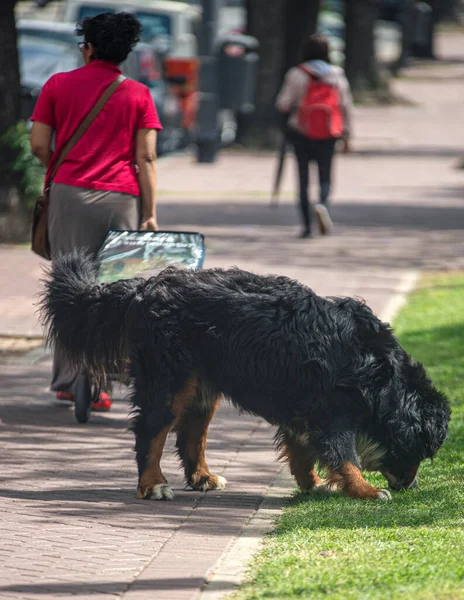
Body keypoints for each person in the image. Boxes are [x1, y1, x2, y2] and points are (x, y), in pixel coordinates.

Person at [30, 12, 162, 411]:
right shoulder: (138, 94)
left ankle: (69, 380)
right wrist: (149, 214)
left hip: (69, 195)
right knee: (117, 290)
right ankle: (105, 380)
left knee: (68, 286)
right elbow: (148, 157)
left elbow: (38, 144)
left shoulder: (57, 85)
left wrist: (62, 170)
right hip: (121, 197)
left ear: (87, 47)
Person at [275, 34, 353, 239]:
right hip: (329, 132)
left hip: (301, 131)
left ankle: (307, 226)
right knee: (325, 175)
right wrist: (348, 134)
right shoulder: (336, 74)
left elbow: (283, 103)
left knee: (303, 179)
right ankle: (322, 204)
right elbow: (345, 105)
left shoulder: (297, 73)